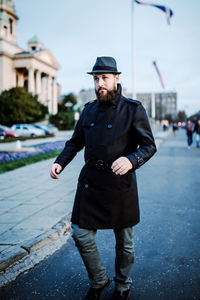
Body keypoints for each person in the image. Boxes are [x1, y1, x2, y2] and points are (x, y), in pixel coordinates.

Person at [50, 56, 157, 300]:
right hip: (91, 182)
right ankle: (99, 279)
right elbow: (75, 142)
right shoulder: (88, 110)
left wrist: (132, 159)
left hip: (120, 184)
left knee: (125, 243)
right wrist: (59, 162)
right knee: (80, 232)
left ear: (117, 79)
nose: (100, 84)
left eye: (105, 78)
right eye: (96, 79)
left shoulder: (133, 109)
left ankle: (122, 285)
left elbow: (148, 146)